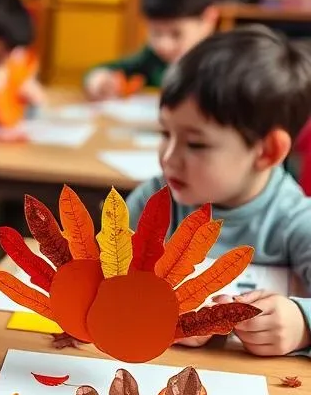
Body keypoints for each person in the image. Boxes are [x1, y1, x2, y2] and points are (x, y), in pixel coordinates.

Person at [126, 27, 311, 357]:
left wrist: (301, 324)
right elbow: (105, 284)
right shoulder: (151, 203)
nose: (168, 157)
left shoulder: (296, 221)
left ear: (267, 152)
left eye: (196, 143)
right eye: (165, 133)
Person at [85, 0, 218, 99]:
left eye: (176, 34)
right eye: (156, 33)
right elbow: (108, 68)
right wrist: (99, 79)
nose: (164, 45)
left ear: (208, 19)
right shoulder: (152, 58)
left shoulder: (223, 60)